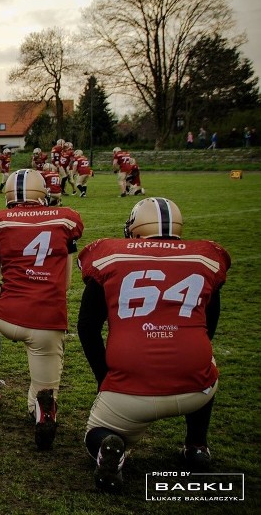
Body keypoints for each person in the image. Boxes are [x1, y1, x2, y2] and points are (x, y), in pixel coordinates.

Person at [77, 198, 230, 493]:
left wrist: (104, 377)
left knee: (95, 434)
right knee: (205, 361)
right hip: (194, 387)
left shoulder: (108, 255)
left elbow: (87, 327)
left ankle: (114, 452)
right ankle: (196, 445)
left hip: (128, 388)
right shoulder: (204, 257)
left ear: (136, 230)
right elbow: (208, 327)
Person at [0, 169, 84, 450]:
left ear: (9, 195)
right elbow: (65, 284)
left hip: (9, 316)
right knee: (40, 394)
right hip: (49, 321)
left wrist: (8, 294)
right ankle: (42, 409)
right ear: (43, 194)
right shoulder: (63, 220)